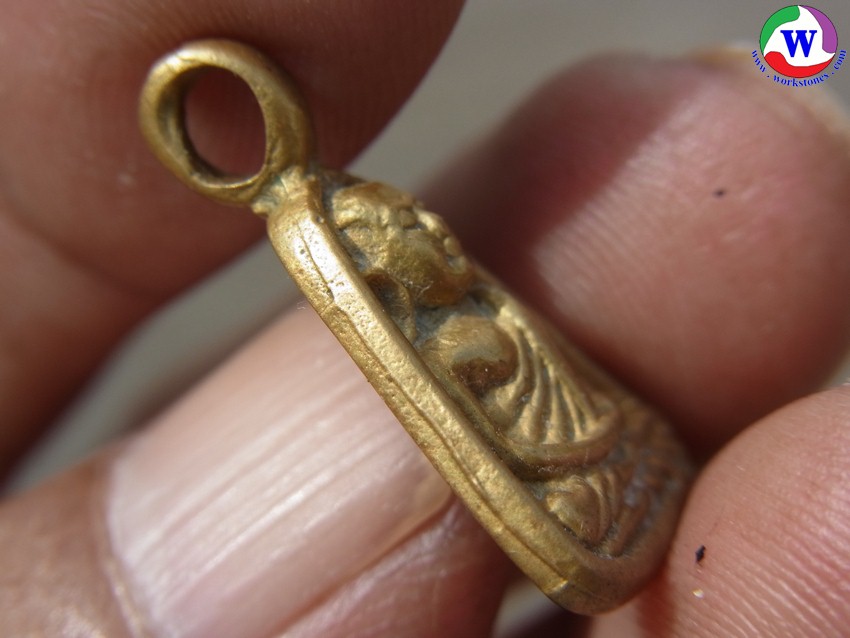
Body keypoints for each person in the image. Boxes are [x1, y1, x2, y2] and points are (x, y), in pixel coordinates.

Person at [1, 2, 849, 636]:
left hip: (611, 464)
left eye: (419, 220)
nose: (434, 230)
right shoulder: (450, 333)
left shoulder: (467, 308)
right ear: (378, 268)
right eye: (409, 234)